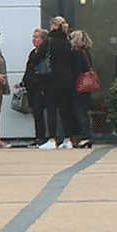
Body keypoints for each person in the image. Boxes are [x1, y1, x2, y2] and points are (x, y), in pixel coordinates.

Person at [36, 16, 77, 150]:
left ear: (53, 26)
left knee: (52, 111)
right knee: (65, 111)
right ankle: (67, 139)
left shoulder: (48, 42)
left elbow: (39, 57)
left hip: (51, 81)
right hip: (67, 82)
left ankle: (53, 139)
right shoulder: (68, 42)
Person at [17, 28, 49, 147]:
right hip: (32, 87)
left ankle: (42, 137)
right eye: (33, 37)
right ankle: (39, 136)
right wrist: (23, 82)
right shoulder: (33, 52)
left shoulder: (44, 53)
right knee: (36, 112)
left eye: (37, 37)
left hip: (40, 87)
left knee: (40, 111)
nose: (34, 40)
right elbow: (28, 70)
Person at [70, 30, 95, 148]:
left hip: (79, 86)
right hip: (87, 87)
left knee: (80, 111)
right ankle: (86, 136)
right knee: (84, 111)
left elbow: (76, 70)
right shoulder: (86, 52)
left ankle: (85, 136)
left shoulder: (78, 53)